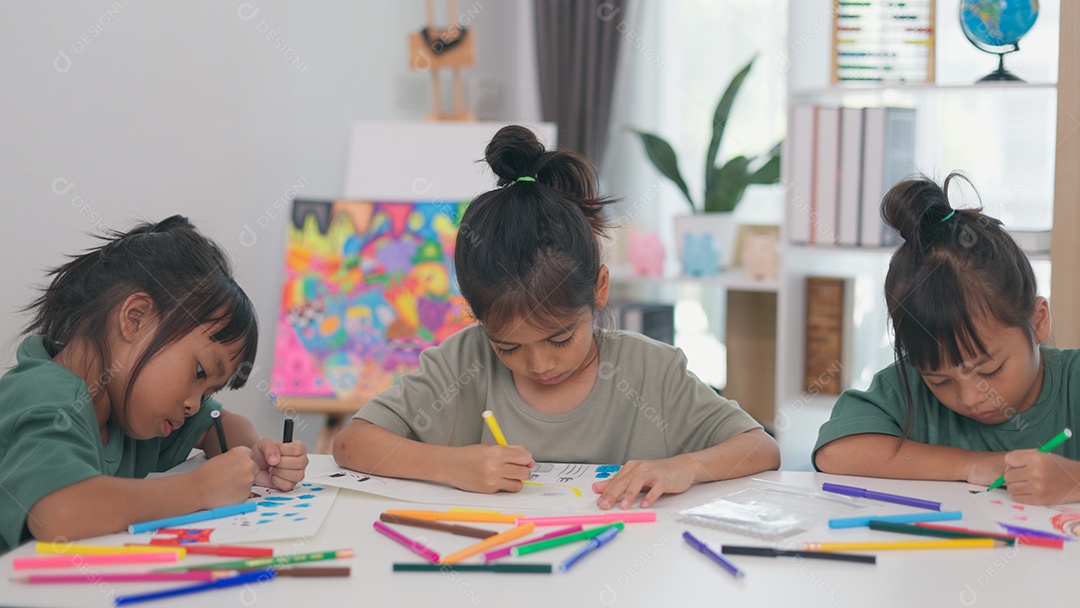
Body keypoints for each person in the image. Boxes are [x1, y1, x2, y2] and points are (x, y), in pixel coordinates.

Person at [333, 125, 779, 510]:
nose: (540, 364)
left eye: (560, 338)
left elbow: (761, 449)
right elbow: (352, 443)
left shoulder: (651, 372)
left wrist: (684, 468)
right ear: (477, 319)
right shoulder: (463, 363)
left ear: (599, 290)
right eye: (507, 346)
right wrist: (451, 465)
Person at [0, 216, 309, 553]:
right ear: (136, 319)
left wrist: (256, 455)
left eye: (208, 392)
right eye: (200, 372)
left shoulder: (129, 410)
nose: (194, 404)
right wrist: (198, 489)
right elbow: (60, 512)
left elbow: (220, 424)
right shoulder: (46, 395)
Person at [814, 174, 1079, 505]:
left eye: (990, 370)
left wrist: (1073, 481)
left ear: (1038, 321)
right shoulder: (910, 387)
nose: (970, 397)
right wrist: (970, 464)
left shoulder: (1074, 383)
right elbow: (835, 452)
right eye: (940, 380)